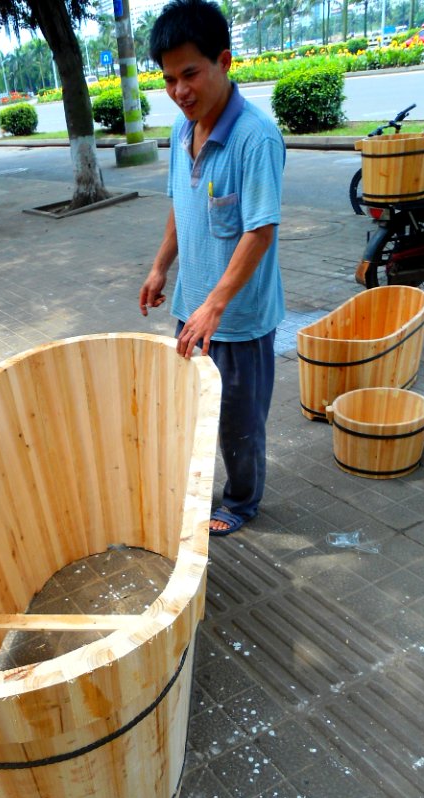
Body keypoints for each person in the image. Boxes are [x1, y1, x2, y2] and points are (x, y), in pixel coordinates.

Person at [139, 0, 285, 537]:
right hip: (190, 309)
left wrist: (216, 305)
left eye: (191, 74)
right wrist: (160, 269)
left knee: (239, 424)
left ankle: (242, 501)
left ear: (224, 61)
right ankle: (197, 489)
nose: (180, 91)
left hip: (237, 319)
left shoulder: (255, 136)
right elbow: (183, 206)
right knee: (193, 412)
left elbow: (260, 230)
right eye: (170, 78)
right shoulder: (182, 133)